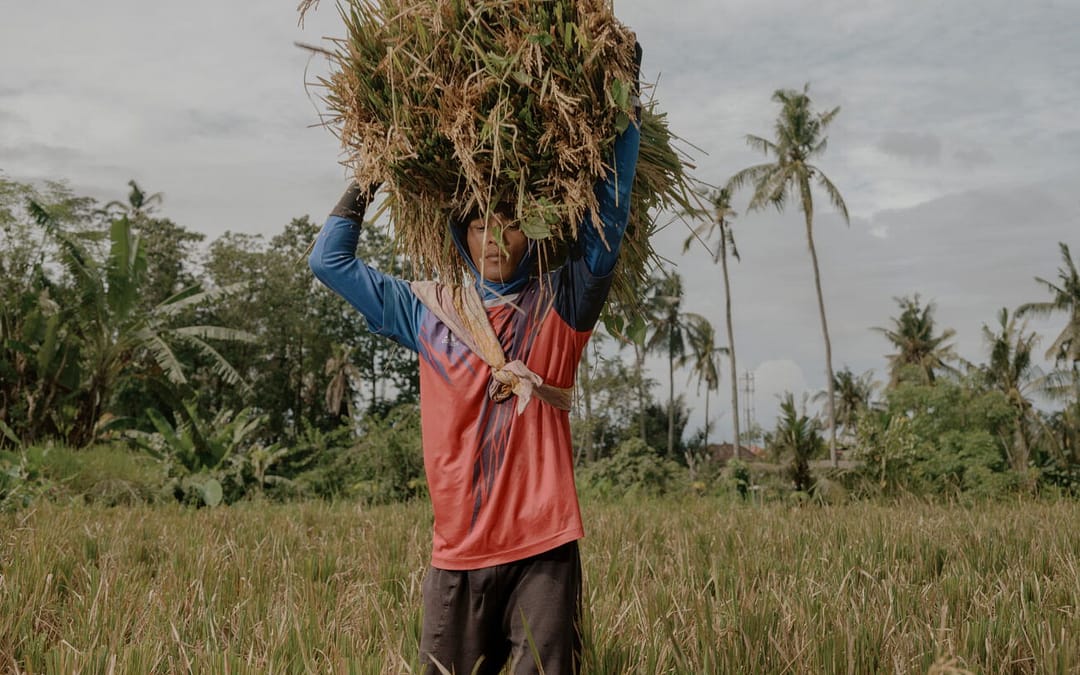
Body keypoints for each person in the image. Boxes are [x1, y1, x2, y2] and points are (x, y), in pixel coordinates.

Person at [309, 46, 641, 675]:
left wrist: (626, 105)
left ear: (534, 231)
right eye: (481, 223)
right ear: (460, 233)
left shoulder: (564, 302)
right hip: (457, 551)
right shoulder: (426, 312)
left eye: (511, 222)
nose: (495, 236)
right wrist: (373, 168)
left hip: (544, 551)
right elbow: (329, 262)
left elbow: (611, 217)